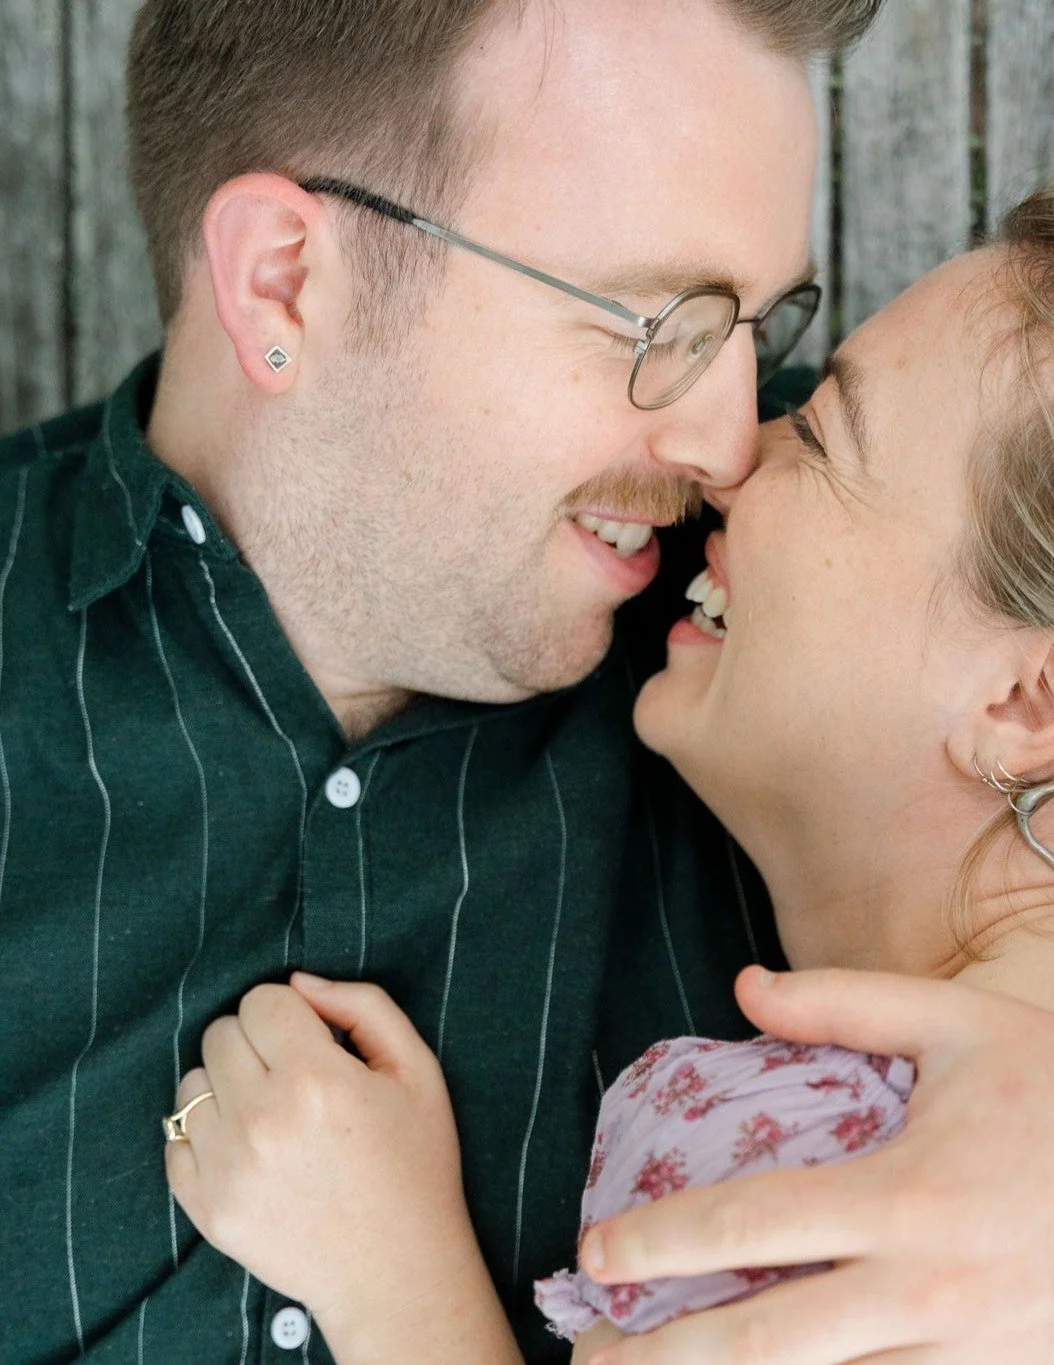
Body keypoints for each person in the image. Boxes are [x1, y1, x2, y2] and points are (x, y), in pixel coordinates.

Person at [161, 151, 1054, 1365]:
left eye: (829, 438)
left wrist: (397, 1282)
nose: (739, 454)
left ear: (1026, 698)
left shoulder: (815, 1162)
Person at [0, 2, 877, 1362]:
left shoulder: (830, 588)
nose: (727, 440)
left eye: (759, 324)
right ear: (286, 279)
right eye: (659, 320)